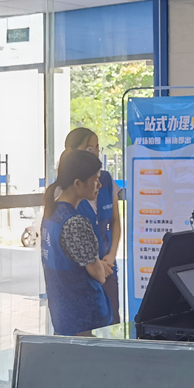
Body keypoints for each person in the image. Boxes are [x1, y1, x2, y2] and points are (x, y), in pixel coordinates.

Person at [41, 149, 111, 336]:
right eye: (95, 179)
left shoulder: (51, 214)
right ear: (78, 183)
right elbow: (98, 274)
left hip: (63, 313)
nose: (99, 185)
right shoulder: (75, 222)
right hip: (83, 317)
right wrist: (101, 266)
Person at [63, 128, 121, 325]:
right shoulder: (65, 195)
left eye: (97, 148)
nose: (95, 153)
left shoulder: (105, 180)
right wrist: (96, 266)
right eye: (89, 148)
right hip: (83, 274)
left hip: (108, 266)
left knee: (112, 322)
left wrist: (111, 256)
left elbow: (115, 221)